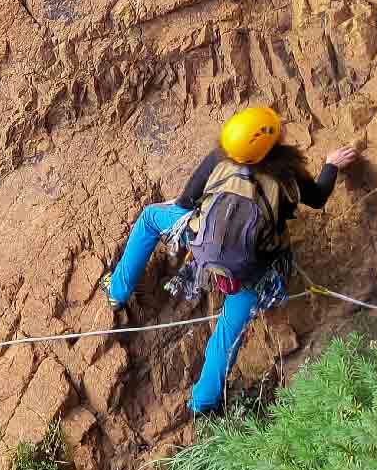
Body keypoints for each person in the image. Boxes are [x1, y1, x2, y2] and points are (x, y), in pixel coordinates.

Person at [105, 106, 359, 415]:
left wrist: (186, 206)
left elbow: (185, 203)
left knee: (149, 218)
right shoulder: (287, 175)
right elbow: (318, 198)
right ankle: (202, 402)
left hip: (200, 247)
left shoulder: (219, 159)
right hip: (251, 272)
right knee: (227, 331)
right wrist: (331, 165)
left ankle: (117, 291)